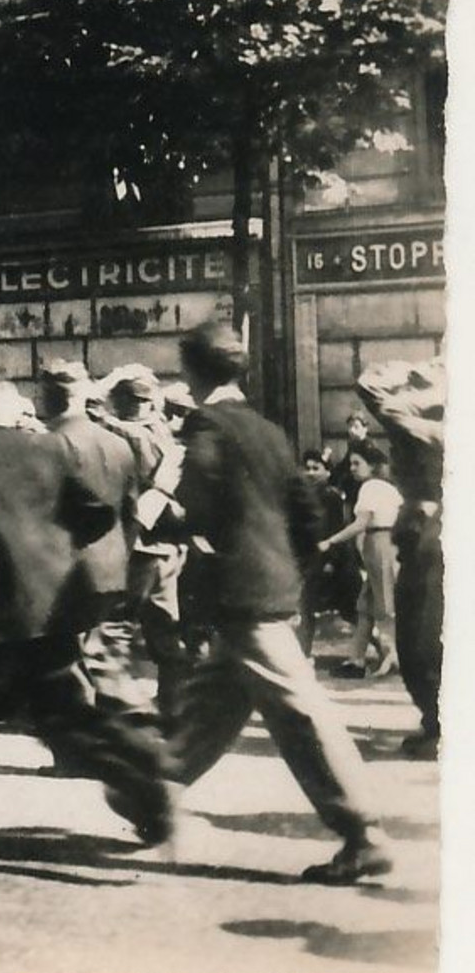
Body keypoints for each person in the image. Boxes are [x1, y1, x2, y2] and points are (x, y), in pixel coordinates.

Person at [0, 372, 174, 876]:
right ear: (2, 404)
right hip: (50, 613)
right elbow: (96, 514)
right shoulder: (49, 451)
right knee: (69, 720)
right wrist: (51, 555)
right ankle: (147, 791)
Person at [165, 321, 392, 884]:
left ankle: (364, 834)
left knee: (299, 715)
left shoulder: (206, 423)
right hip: (272, 585)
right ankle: (151, 795)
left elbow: (195, 497)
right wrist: (288, 569)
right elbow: (306, 513)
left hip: (241, 591)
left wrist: (175, 519)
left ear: (192, 371)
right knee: (214, 703)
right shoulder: (269, 429)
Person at [39, 359, 149, 725]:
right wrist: (122, 555)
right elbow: (133, 512)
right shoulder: (118, 443)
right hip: (113, 569)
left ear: (49, 396)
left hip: (66, 572)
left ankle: (81, 746)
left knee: (61, 660)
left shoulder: (49, 444)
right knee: (92, 652)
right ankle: (122, 716)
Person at [96, 365, 192, 728]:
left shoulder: (132, 435)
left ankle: (113, 711)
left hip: (136, 548)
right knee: (165, 631)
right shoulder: (166, 437)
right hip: (167, 549)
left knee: (113, 627)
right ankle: (173, 708)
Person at [358, 359, 444, 758]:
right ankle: (436, 723)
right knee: (417, 634)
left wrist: (414, 384)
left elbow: (377, 395)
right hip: (419, 532)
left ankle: (441, 725)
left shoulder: (430, 429)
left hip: (436, 533)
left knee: (422, 637)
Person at [317, 444, 402, 679]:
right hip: (383, 543)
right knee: (365, 606)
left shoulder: (371, 487)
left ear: (372, 466)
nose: (353, 468)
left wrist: (330, 541)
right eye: (351, 463)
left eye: (357, 463)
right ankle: (356, 660)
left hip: (380, 542)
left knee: (384, 604)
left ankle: (392, 656)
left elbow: (360, 523)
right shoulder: (388, 488)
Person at [297, 448, 356, 657]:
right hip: (312, 561)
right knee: (305, 607)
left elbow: (336, 529)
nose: (311, 472)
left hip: (333, 562)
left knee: (350, 610)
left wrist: (331, 560)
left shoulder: (331, 497)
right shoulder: (303, 498)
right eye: (307, 468)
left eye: (316, 468)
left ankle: (382, 647)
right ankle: (303, 655)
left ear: (327, 472)